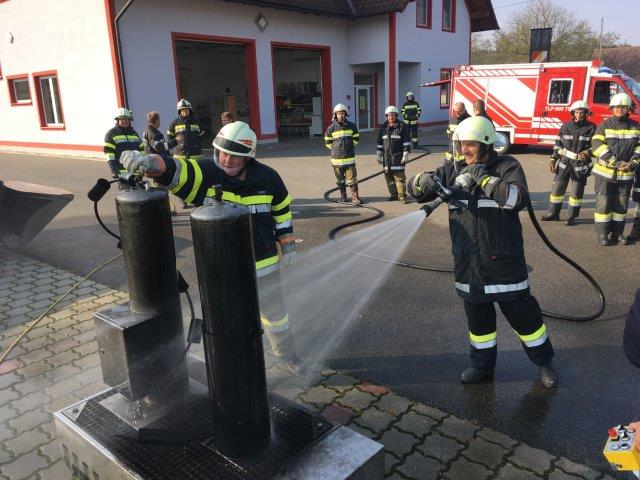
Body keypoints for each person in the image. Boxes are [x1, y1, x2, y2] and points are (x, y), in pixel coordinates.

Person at [120, 122, 299, 365]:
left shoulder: (269, 178)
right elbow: (175, 169)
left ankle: (286, 354)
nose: (226, 160)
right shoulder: (206, 173)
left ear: (248, 157)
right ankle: (237, 362)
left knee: (275, 313)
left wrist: (288, 243)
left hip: (264, 265)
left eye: (235, 156)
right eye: (222, 153)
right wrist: (150, 162)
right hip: (224, 270)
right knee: (228, 317)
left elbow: (282, 212)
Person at [408, 116, 557, 388]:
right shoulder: (452, 170)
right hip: (469, 265)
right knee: (479, 325)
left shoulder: (507, 166)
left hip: (504, 263)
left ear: (486, 144)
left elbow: (516, 198)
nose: (464, 150)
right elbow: (413, 190)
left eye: (471, 145)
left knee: (526, 320)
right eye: (461, 144)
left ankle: (544, 363)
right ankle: (482, 367)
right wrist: (422, 181)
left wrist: (484, 178)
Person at [591, 93, 640, 246]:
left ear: (628, 109)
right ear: (612, 108)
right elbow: (597, 146)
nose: (619, 109)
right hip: (605, 174)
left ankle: (617, 233)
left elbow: (639, 147)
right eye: (616, 107)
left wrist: (634, 162)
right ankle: (603, 234)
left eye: (623, 107)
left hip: (625, 175)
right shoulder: (604, 125)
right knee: (604, 204)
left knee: (621, 206)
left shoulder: (636, 126)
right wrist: (615, 162)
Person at [540, 100, 596, 226]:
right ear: (572, 113)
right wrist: (552, 160)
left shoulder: (592, 128)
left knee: (576, 193)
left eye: (581, 113)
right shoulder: (566, 126)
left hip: (580, 165)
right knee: (557, 190)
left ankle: (571, 217)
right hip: (564, 163)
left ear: (586, 113)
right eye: (576, 112)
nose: (579, 115)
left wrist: (588, 152)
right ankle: (553, 213)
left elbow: (596, 146)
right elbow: (558, 144)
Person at [324, 103, 362, 204]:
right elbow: (328, 143)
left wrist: (350, 147)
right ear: (335, 115)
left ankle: (355, 197)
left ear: (345, 114)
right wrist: (336, 149)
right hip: (336, 160)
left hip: (349, 159)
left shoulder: (352, 126)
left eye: (342, 113)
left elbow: (356, 139)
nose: (341, 115)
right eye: (338, 114)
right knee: (340, 180)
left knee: (352, 179)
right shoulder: (331, 128)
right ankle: (343, 196)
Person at [377, 106, 411, 203]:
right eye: (389, 115)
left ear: (396, 116)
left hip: (398, 157)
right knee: (389, 179)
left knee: (399, 178)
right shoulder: (383, 127)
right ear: (386, 116)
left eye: (393, 115)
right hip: (386, 158)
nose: (391, 117)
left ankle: (402, 196)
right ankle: (393, 194)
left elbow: (406, 141)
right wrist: (379, 153)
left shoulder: (402, 126)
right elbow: (379, 142)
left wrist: (406, 153)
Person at [103, 108, 144, 180]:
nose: (124, 121)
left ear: (129, 120)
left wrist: (144, 166)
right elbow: (109, 154)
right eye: (122, 119)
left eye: (126, 119)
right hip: (122, 173)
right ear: (117, 120)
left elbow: (142, 150)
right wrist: (114, 171)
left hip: (136, 172)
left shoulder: (133, 133)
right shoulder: (111, 134)